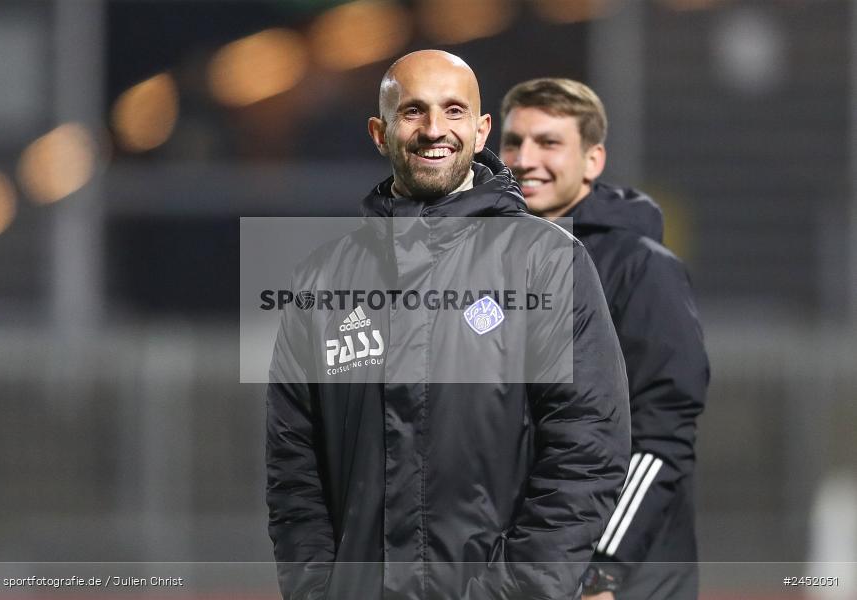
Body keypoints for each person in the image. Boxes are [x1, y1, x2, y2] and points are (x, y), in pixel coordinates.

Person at [265, 51, 630, 600]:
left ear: (481, 131)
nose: (435, 129)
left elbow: (588, 451)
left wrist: (512, 592)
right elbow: (293, 469)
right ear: (380, 133)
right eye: (413, 111)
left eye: (454, 110)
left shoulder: (548, 263)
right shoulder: (322, 279)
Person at [499, 78, 710, 600]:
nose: (525, 159)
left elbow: (660, 436)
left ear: (592, 161)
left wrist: (602, 565)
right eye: (513, 142)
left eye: (549, 143)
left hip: (622, 577)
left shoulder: (642, 268)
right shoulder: (495, 261)